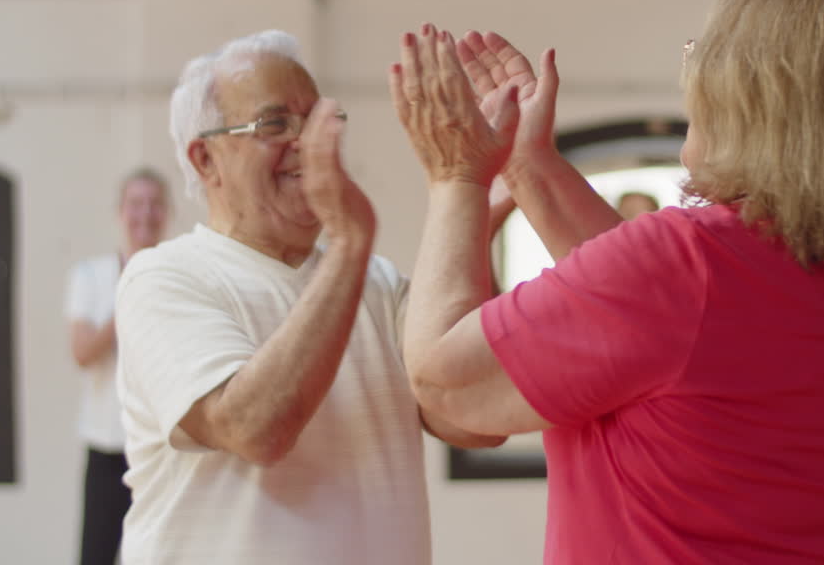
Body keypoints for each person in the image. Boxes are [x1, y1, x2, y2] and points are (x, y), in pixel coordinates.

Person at [390, 0, 824, 564]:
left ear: (750, 91)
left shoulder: (688, 268)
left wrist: (456, 179)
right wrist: (529, 165)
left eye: (700, 55)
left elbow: (445, 385)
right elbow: (661, 331)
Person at [114, 30, 501, 565]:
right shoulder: (164, 277)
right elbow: (252, 428)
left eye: (317, 123)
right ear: (206, 160)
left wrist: (475, 201)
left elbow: (476, 416)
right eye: (275, 124)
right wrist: (349, 242)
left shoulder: (377, 284)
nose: (306, 144)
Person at [66, 167, 169, 565]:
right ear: (120, 212)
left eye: (155, 204)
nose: (145, 214)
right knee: (96, 556)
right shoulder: (89, 276)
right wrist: (130, 293)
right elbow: (82, 352)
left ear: (167, 211)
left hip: (163, 449)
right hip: (107, 448)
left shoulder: (177, 274)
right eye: (135, 204)